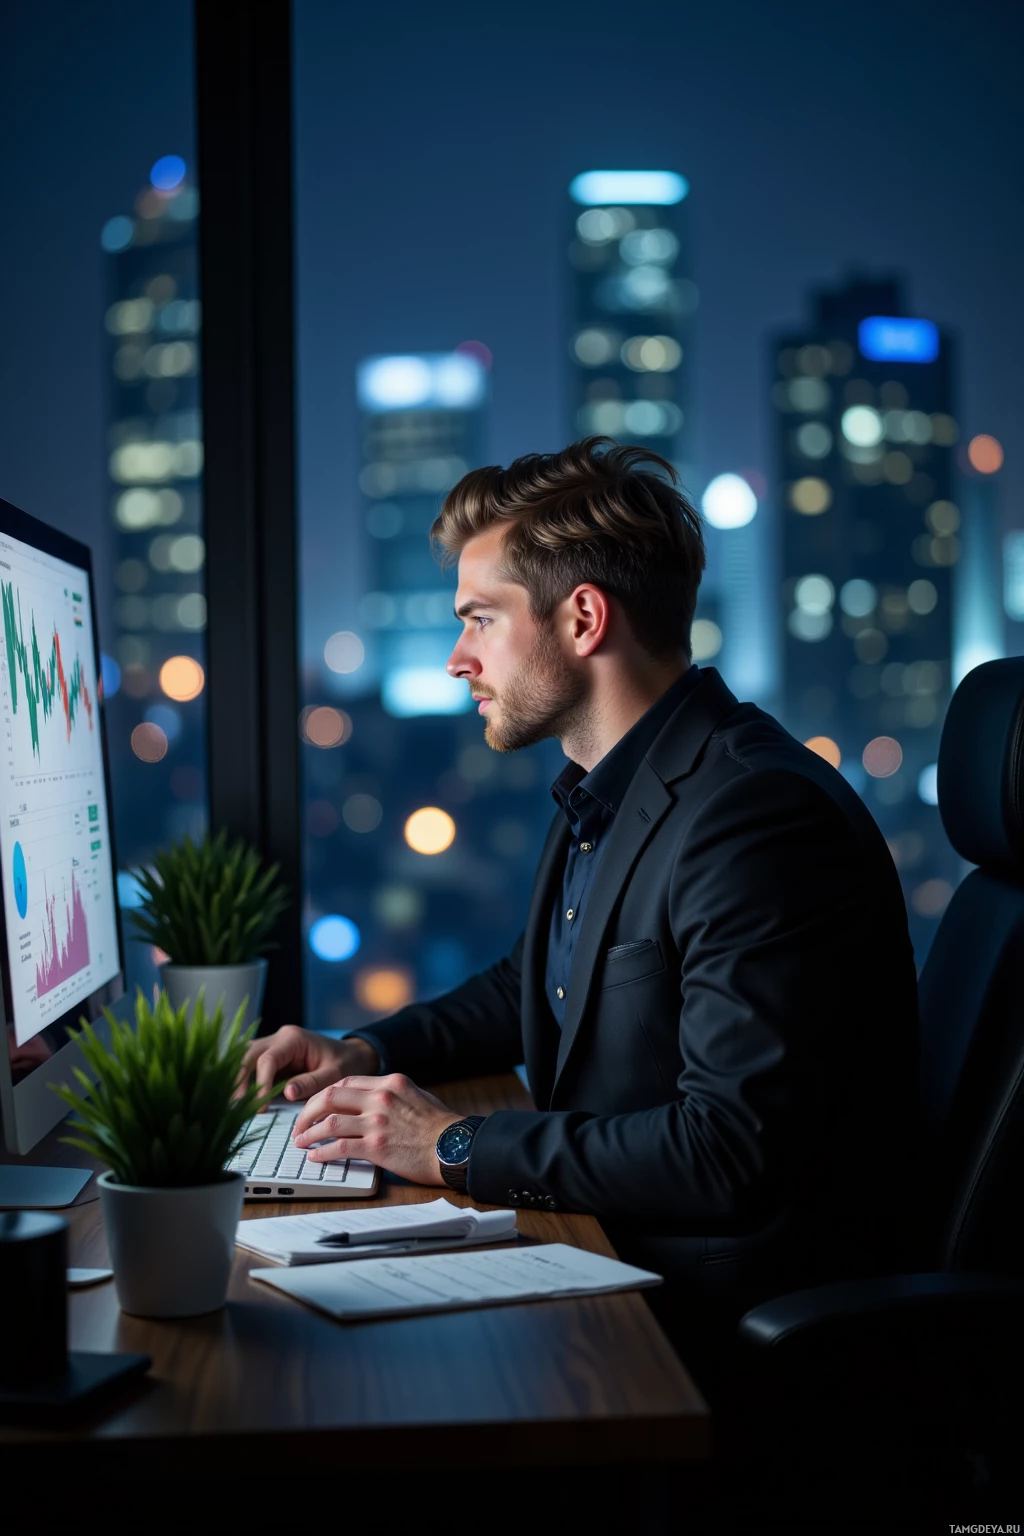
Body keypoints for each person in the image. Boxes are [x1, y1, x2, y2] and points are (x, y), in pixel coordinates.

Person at [242, 436, 918, 1384]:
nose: (455, 658)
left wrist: (453, 1143)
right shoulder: (608, 785)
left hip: (712, 1319)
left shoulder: (755, 815)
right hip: (617, 1251)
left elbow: (728, 1149)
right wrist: (367, 1052)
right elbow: (538, 979)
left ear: (583, 619)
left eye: (479, 620)